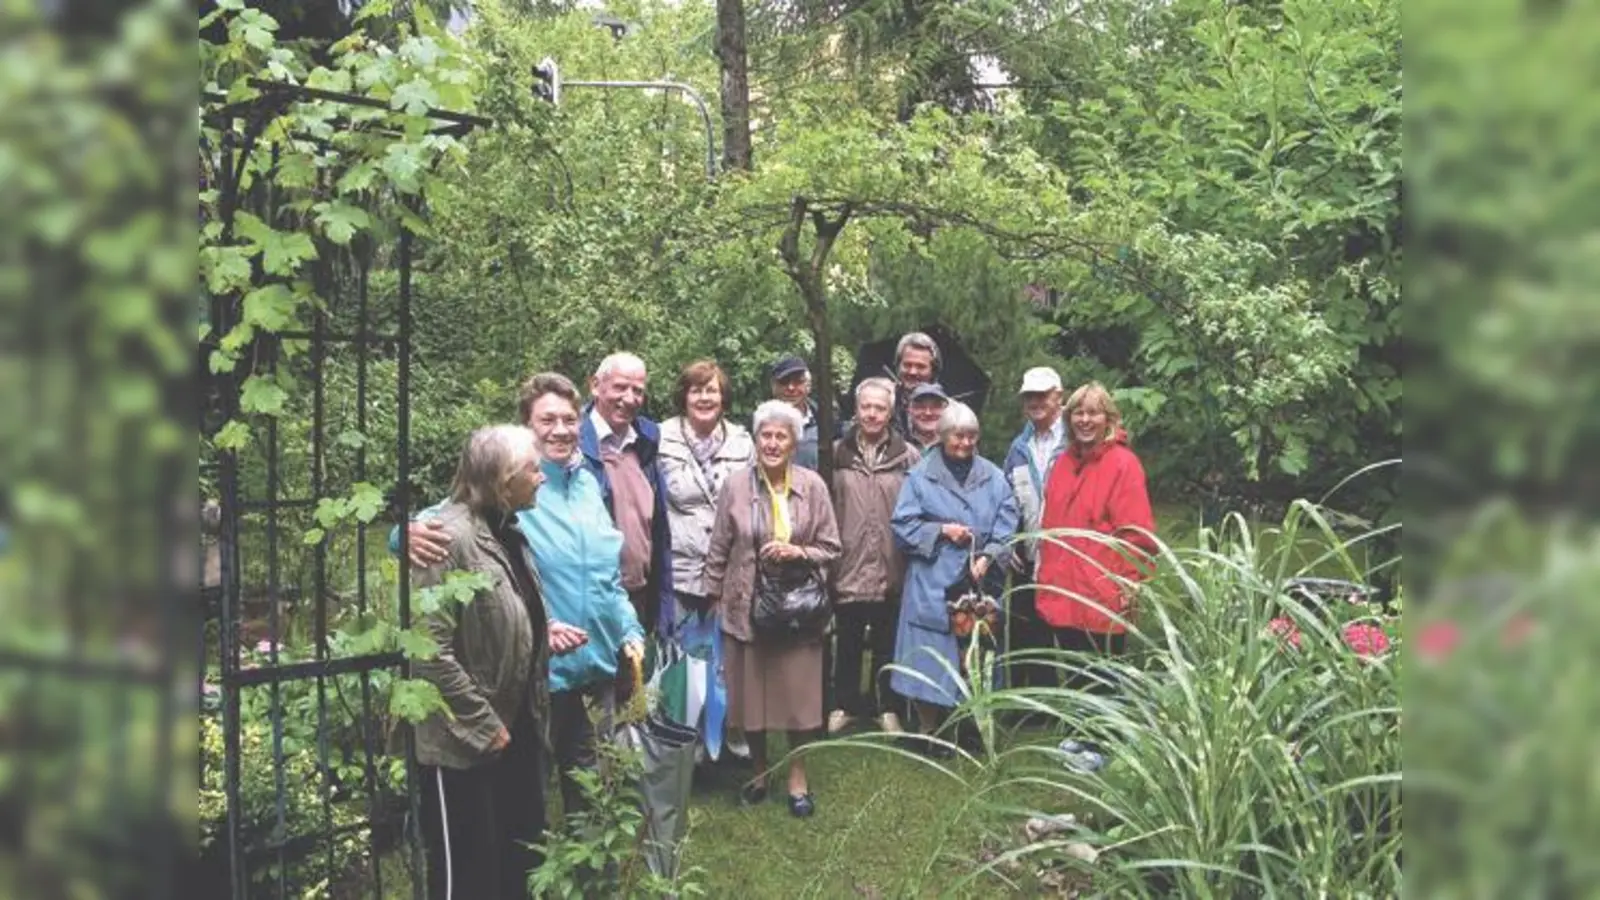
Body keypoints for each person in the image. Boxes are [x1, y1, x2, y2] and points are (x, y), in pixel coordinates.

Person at [397, 375, 646, 819]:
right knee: (527, 804)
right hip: (540, 675)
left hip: (598, 663)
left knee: (595, 798)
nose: (562, 429)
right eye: (547, 419)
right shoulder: (512, 487)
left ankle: (590, 883)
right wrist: (403, 534)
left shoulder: (588, 482)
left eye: (570, 419)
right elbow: (444, 523)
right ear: (526, 427)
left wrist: (627, 627)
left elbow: (607, 571)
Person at [403, 424, 587, 900]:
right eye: (532, 467)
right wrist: (485, 725)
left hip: (516, 728)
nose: (542, 476)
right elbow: (428, 650)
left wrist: (540, 632)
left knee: (518, 859)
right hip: (463, 742)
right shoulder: (444, 539)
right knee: (468, 873)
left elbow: (501, 615)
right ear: (504, 479)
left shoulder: (507, 531)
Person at [703, 401, 842, 817]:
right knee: (751, 697)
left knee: (799, 699)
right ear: (756, 438)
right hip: (747, 607)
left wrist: (796, 551)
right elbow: (719, 546)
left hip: (798, 610)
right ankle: (760, 770)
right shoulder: (736, 486)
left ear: (795, 442)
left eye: (782, 436)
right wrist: (712, 595)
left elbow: (832, 547)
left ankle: (797, 774)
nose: (773, 443)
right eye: (766, 435)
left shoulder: (813, 485)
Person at [1034, 382, 1157, 758]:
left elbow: (1137, 533)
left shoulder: (1123, 464)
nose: (1085, 420)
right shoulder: (1065, 462)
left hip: (1101, 585)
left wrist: (1129, 582)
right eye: (1078, 413)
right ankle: (1080, 730)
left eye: (1093, 412)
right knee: (1073, 665)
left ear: (1109, 418)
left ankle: (1104, 742)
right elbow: (1052, 521)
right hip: (1064, 581)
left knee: (1103, 669)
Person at [889, 402, 1018, 757]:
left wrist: (990, 555)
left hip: (979, 582)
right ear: (944, 436)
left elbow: (1008, 523)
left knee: (979, 651)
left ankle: (972, 724)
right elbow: (902, 526)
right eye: (958, 435)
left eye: (972, 436)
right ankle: (930, 728)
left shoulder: (993, 476)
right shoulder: (919, 475)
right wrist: (941, 530)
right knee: (930, 654)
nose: (965, 443)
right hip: (933, 578)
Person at [657, 360, 755, 759]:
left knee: (728, 653)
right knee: (682, 654)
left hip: (731, 566)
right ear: (684, 395)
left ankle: (730, 729)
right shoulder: (660, 437)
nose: (704, 397)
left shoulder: (743, 442)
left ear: (723, 397)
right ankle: (686, 737)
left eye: (711, 390)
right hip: (680, 564)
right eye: (696, 390)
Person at [827, 377, 919, 735]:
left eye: (880, 407)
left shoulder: (907, 456)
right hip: (847, 559)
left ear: (891, 411)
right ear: (856, 408)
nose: (872, 414)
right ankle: (845, 703)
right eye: (866, 406)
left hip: (889, 559)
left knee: (887, 636)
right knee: (847, 637)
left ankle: (888, 707)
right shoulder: (835, 453)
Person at [580, 352, 676, 635]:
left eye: (638, 390)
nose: (630, 398)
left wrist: (664, 603)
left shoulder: (644, 445)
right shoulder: (570, 444)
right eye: (620, 387)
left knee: (634, 678)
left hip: (639, 596)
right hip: (590, 599)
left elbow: (659, 531)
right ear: (596, 385)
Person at [1000, 366, 1069, 692]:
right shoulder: (1018, 446)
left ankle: (1076, 699)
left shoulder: (1074, 439)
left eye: (1042, 395)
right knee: (1027, 626)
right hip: (1027, 551)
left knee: (1069, 628)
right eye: (1029, 396)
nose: (1035, 402)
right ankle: (1033, 698)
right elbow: (1008, 498)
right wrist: (1010, 541)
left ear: (1059, 396)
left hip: (1069, 553)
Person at [768, 354, 836, 472]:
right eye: (784, 382)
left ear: (808, 386)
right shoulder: (760, 423)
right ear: (773, 387)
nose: (791, 388)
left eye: (797, 382)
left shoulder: (827, 423)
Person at [892, 332, 941, 437]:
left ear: (933, 370)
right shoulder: (885, 402)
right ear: (898, 366)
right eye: (907, 365)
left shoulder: (948, 411)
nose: (912, 372)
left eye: (921, 367)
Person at [905, 382, 950, 456]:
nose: (928, 413)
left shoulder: (959, 443)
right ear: (909, 410)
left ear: (946, 410)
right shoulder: (899, 444)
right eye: (920, 407)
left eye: (935, 406)